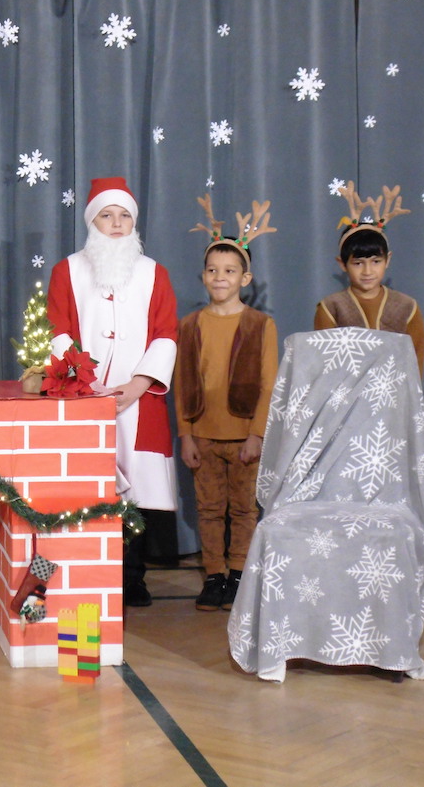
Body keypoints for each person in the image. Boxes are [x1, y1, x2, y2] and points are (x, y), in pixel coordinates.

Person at [47, 176, 178, 607]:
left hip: (138, 399)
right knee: (89, 484)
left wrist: (139, 384)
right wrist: (83, 383)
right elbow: (57, 330)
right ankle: (88, 572)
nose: (117, 223)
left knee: (136, 491)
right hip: (83, 398)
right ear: (93, 221)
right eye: (107, 215)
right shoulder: (67, 270)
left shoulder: (153, 272)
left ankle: (132, 577)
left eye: (125, 216)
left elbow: (166, 334)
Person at [175, 197, 279, 611]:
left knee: (244, 510)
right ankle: (214, 575)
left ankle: (239, 574)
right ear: (203, 276)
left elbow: (269, 386)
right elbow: (183, 384)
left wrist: (257, 434)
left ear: (245, 277)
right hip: (203, 435)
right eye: (213, 270)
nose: (220, 278)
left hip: (243, 438)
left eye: (230, 271)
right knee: (209, 509)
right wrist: (186, 435)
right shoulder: (189, 326)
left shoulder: (261, 325)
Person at [315, 182, 424, 375]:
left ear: (387, 260)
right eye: (358, 263)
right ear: (342, 264)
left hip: (395, 391)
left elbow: (415, 363)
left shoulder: (407, 307)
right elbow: (325, 363)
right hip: (344, 392)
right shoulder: (331, 307)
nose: (367, 271)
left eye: (375, 262)